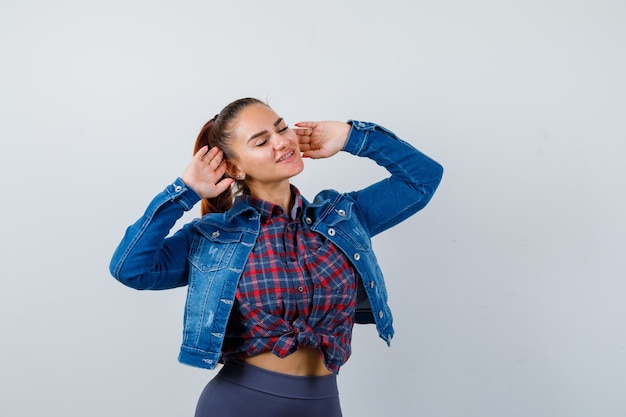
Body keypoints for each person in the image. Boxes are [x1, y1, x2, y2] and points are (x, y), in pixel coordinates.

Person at [109, 97, 443, 416]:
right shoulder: (213, 236)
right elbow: (131, 268)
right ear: (234, 168)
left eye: (281, 129)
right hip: (239, 406)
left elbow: (423, 179)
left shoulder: (342, 218)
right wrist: (184, 190)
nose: (281, 142)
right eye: (260, 141)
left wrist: (352, 136)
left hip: (325, 404)